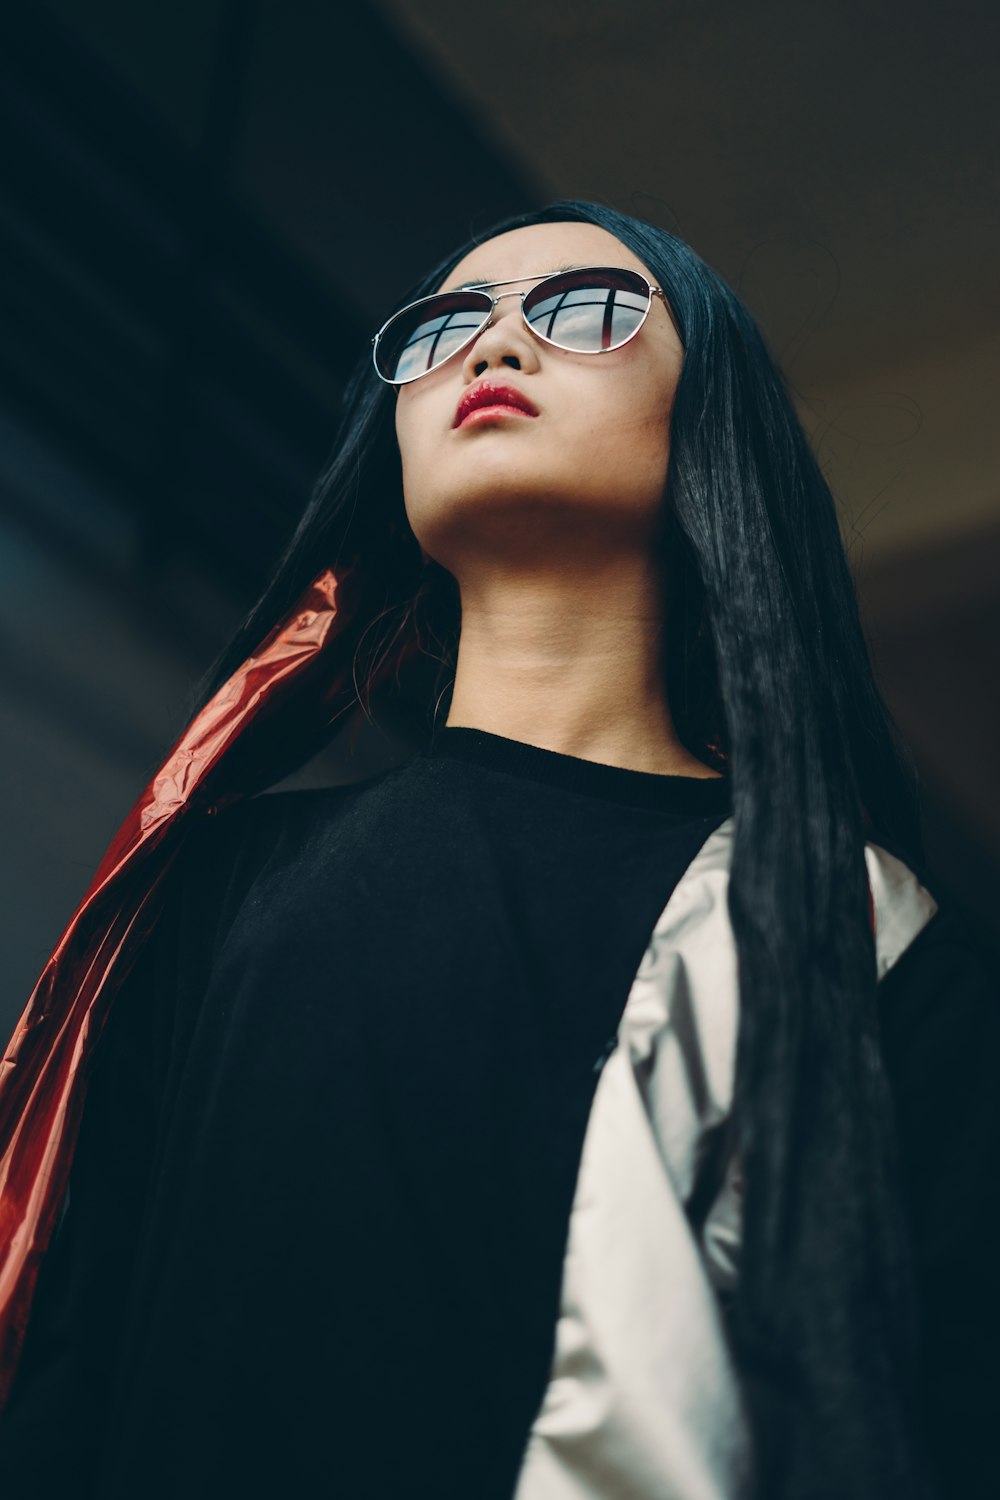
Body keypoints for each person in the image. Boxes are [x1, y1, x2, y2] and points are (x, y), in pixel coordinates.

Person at [0, 202, 996, 1500]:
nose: (496, 345)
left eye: (585, 310)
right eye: (444, 326)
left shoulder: (858, 930)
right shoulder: (217, 887)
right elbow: (70, 1376)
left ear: (712, 420)